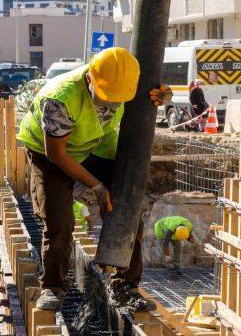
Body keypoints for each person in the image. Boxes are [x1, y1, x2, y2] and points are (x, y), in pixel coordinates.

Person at [16, 47, 170, 311]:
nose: (112, 105)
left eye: (117, 100)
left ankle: (125, 285)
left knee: (128, 206)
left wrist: (163, 96)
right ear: (90, 80)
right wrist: (96, 187)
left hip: (94, 144)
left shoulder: (125, 82)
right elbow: (58, 154)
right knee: (59, 220)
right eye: (107, 98)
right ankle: (53, 286)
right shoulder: (60, 99)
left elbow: (158, 94)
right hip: (49, 153)